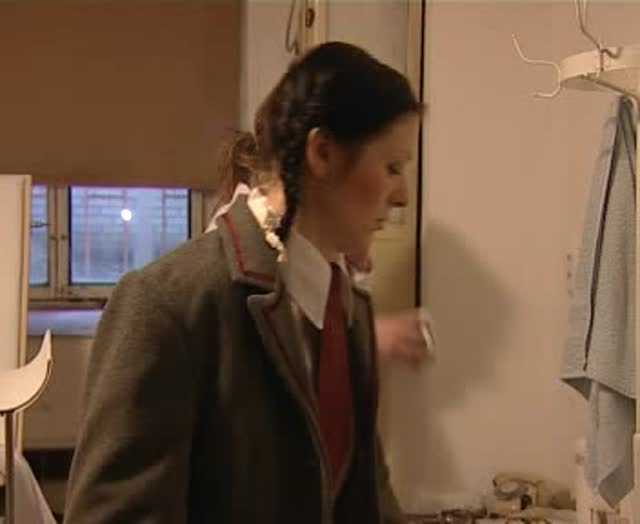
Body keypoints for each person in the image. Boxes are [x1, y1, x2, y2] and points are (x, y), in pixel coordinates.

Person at [64, 42, 422, 523]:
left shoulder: (349, 312)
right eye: (392, 167)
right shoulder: (167, 305)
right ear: (322, 153)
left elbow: (367, 499)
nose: (402, 195)